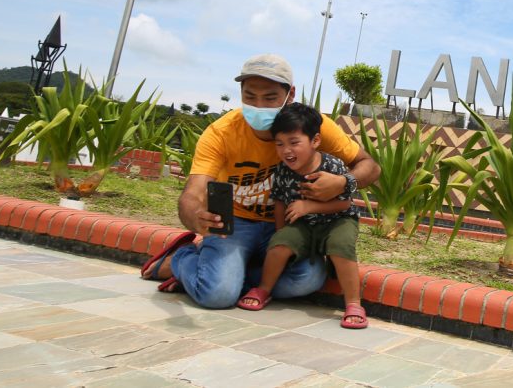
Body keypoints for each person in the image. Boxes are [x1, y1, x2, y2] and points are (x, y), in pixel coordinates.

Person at [140, 53, 380, 309]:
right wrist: (195, 216)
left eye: (270, 97)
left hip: (288, 225)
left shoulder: (311, 127)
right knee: (217, 296)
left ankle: (223, 275)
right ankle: (183, 258)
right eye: (250, 96)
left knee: (307, 279)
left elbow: (370, 166)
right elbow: (192, 193)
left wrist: (343, 183)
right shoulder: (221, 133)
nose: (259, 106)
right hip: (236, 224)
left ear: (290, 95)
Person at [236, 103, 366, 328]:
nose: (287, 150)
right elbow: (278, 201)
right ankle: (264, 289)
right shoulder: (282, 171)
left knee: (341, 245)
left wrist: (309, 207)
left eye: (294, 143)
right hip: (303, 225)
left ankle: (354, 303)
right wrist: (280, 233)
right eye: (280, 144)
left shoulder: (332, 166)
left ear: (315, 141)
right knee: (280, 243)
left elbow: (345, 203)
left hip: (338, 220)